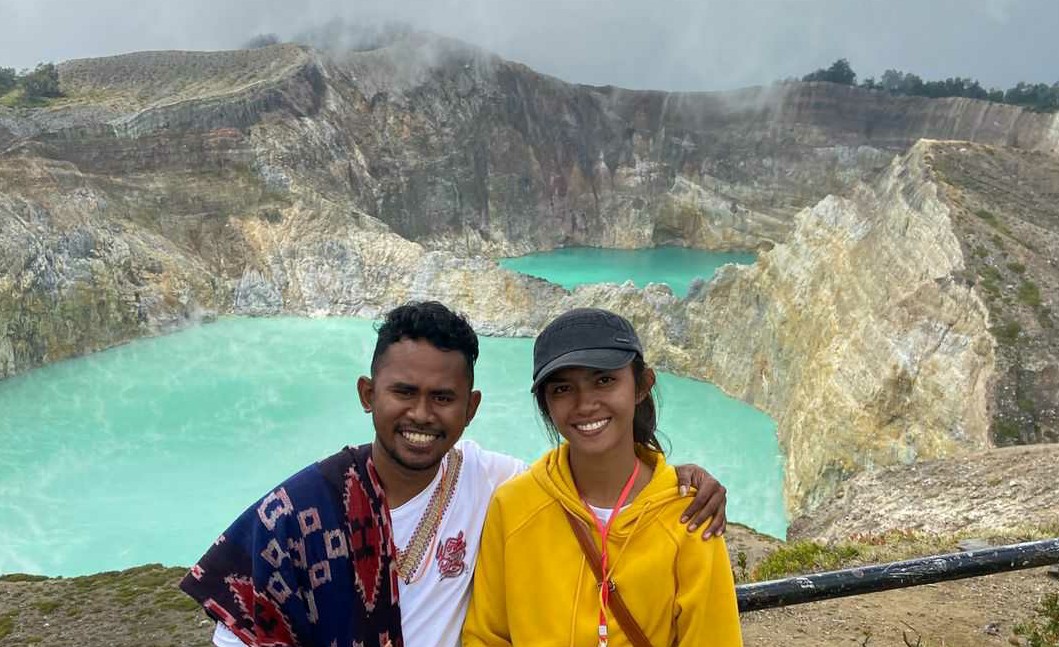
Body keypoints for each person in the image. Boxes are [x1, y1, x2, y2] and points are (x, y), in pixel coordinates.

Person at [180, 301, 729, 647]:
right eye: (403, 392)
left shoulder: (498, 485)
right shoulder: (299, 512)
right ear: (368, 394)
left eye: (443, 397)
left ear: (471, 408)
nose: (421, 414)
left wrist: (676, 481)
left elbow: (596, 477)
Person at [462, 307, 743, 646]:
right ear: (546, 404)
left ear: (642, 386)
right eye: (562, 389)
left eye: (604, 380)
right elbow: (485, 636)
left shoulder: (689, 517)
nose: (585, 404)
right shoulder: (513, 507)